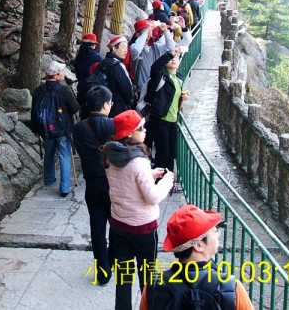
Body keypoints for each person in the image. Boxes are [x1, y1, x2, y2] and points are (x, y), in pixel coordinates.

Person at [103, 110, 174, 310]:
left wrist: (149, 175)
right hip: (143, 229)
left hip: (119, 227)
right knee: (147, 280)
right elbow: (152, 197)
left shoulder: (110, 156)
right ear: (129, 133)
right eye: (140, 128)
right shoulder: (139, 162)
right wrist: (167, 182)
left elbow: (126, 181)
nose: (145, 130)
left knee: (123, 280)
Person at [140, 205, 255, 310]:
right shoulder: (232, 288)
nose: (218, 235)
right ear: (199, 245)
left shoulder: (153, 288)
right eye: (215, 231)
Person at [72, 86, 115, 285]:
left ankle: (102, 271)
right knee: (116, 226)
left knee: (97, 229)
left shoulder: (78, 128)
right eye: (110, 103)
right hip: (112, 184)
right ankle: (111, 262)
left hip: (92, 184)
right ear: (105, 105)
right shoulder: (113, 126)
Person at [30, 61, 79, 197]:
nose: (63, 74)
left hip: (46, 130)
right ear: (56, 75)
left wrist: (35, 128)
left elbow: (34, 111)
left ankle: (49, 179)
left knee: (49, 154)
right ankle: (64, 188)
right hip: (63, 130)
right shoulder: (64, 90)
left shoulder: (38, 90)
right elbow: (75, 108)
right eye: (62, 71)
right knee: (65, 156)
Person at [144, 48, 188, 172]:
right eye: (171, 58)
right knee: (163, 154)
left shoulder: (178, 78)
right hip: (160, 120)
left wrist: (182, 98)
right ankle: (159, 180)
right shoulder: (160, 75)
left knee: (171, 154)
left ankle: (169, 179)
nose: (174, 59)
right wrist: (170, 54)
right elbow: (155, 66)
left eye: (176, 58)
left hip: (173, 121)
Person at [104, 35, 136, 117]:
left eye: (127, 48)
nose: (126, 50)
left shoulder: (103, 62)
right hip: (117, 109)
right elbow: (127, 89)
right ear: (114, 48)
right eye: (123, 47)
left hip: (103, 107)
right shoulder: (118, 65)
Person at [73, 32, 103, 117]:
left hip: (81, 87)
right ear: (93, 44)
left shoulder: (79, 56)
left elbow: (77, 73)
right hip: (92, 90)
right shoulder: (97, 57)